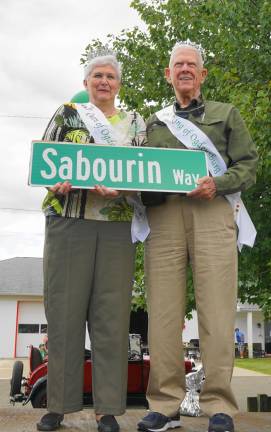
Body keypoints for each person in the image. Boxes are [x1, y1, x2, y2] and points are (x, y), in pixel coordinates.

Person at [137, 41, 258, 432]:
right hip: (164, 218)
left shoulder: (227, 115)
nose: (185, 69)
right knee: (164, 314)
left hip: (212, 212)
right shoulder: (151, 123)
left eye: (192, 64)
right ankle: (165, 403)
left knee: (218, 311)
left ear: (202, 75)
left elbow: (248, 165)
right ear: (168, 75)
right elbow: (137, 172)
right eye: (178, 65)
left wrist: (219, 183)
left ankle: (219, 404)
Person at [36, 49, 147, 432]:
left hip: (116, 227)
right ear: (86, 83)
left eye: (110, 77)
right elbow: (44, 162)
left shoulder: (135, 123)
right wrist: (56, 181)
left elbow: (145, 175)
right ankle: (58, 406)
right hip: (69, 222)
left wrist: (124, 189)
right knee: (64, 315)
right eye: (97, 75)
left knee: (111, 319)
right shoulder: (68, 114)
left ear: (118, 84)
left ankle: (108, 410)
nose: (104, 82)